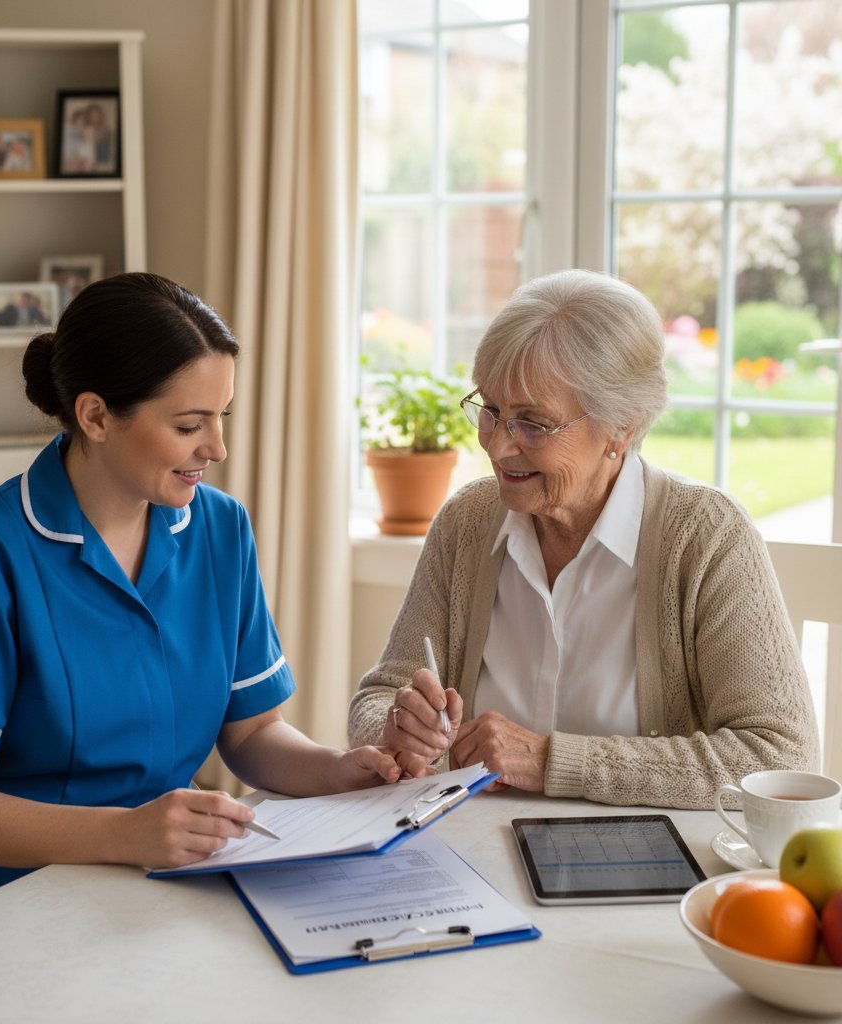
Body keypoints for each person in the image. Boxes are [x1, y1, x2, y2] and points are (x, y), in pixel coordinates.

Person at [0, 272, 400, 936]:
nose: (216, 447)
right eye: (189, 424)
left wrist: (334, 770)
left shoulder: (220, 529)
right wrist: (126, 834)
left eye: (222, 417)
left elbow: (250, 733)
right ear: (96, 416)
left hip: (142, 896)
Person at [348, 269, 819, 810]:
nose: (499, 447)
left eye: (533, 423)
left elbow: (781, 758)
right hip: (472, 859)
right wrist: (397, 725)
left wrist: (552, 761)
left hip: (643, 873)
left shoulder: (708, 537)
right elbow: (380, 694)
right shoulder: (467, 522)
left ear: (622, 427)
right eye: (492, 412)